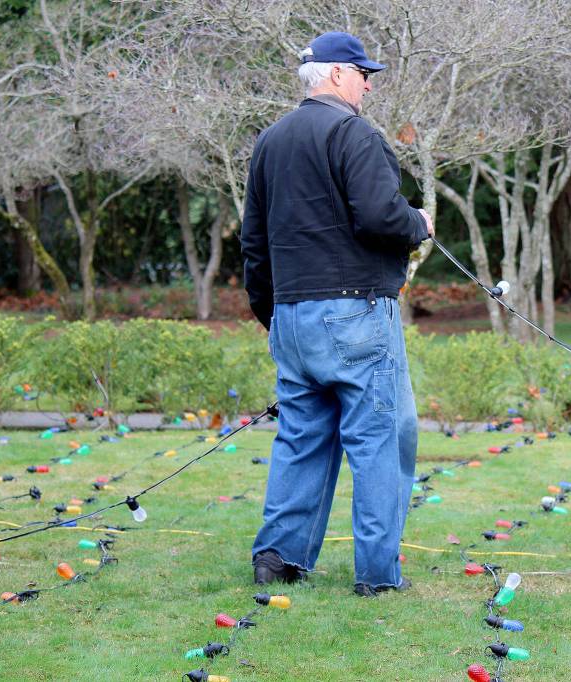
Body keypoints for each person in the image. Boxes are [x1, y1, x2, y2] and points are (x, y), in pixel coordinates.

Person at [240, 31, 433, 597]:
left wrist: (272, 314)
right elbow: (380, 216)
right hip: (355, 313)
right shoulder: (354, 133)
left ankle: (278, 559)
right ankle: (377, 575)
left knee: (301, 438)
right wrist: (419, 223)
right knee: (381, 439)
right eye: (363, 73)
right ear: (337, 74)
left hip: (291, 316)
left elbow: (253, 241)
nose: (368, 85)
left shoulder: (270, 141)